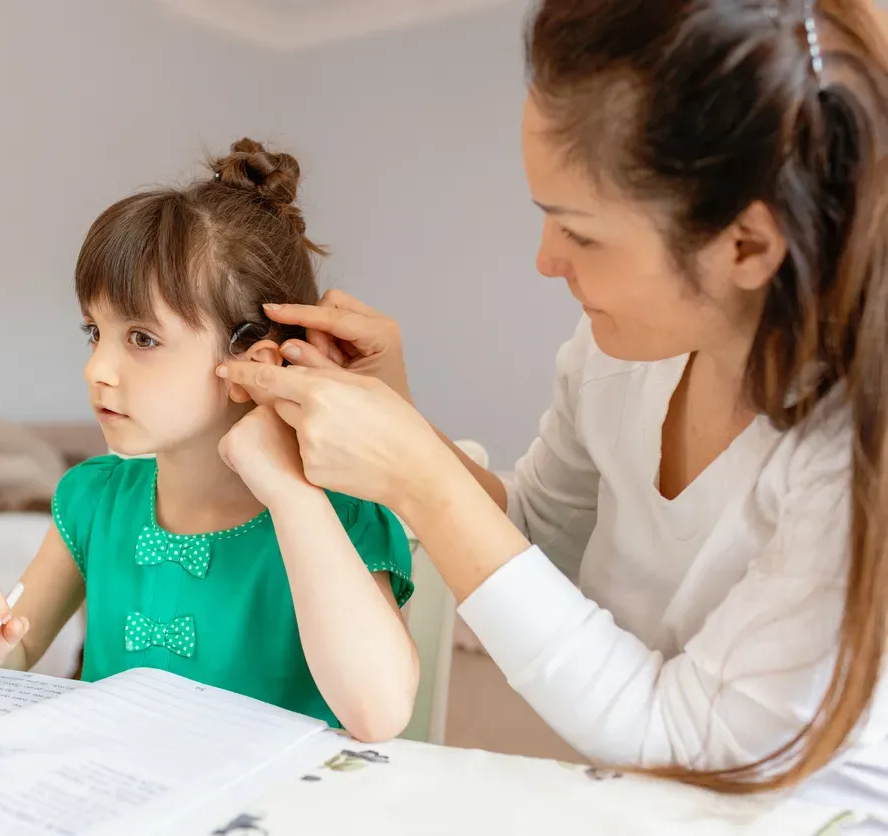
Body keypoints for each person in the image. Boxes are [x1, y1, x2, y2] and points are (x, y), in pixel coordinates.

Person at [219, 0, 888, 818]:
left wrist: (422, 481)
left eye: (579, 232)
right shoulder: (618, 354)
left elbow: (677, 733)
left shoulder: (853, 452)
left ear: (746, 245)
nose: (545, 261)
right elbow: (536, 530)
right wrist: (398, 416)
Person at [0, 139, 418, 743]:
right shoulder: (93, 500)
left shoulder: (340, 513)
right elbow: (21, 648)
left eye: (141, 339)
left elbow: (379, 714)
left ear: (250, 368)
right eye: (94, 332)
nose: (96, 369)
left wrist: (292, 495)